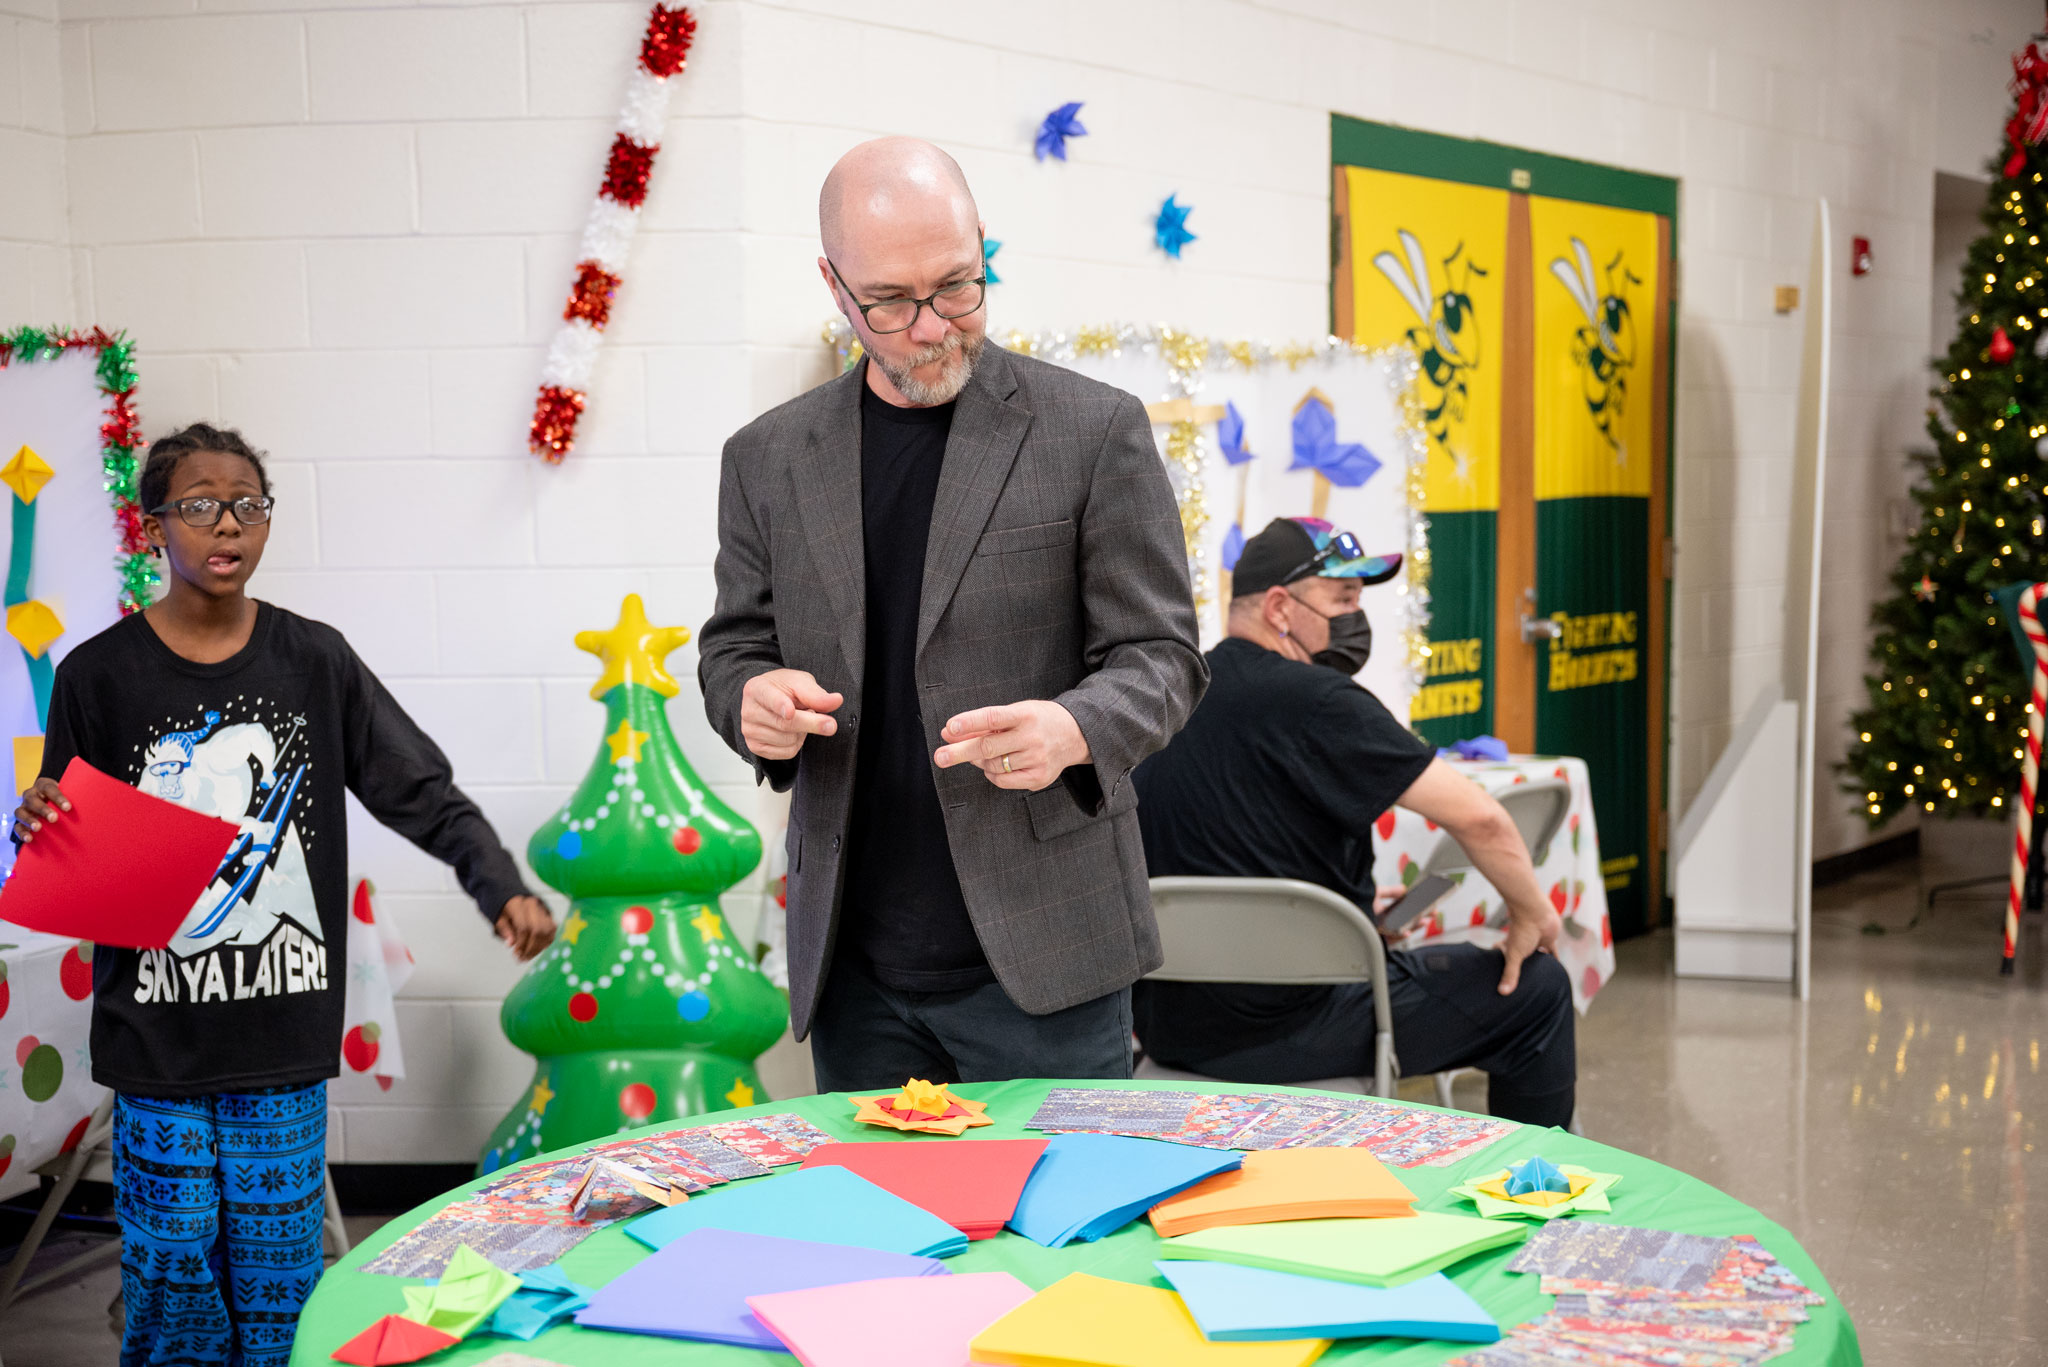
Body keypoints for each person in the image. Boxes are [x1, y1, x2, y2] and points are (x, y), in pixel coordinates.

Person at [12, 423, 556, 1367]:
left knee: (279, 1285)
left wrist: (495, 881)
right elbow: (68, 831)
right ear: (154, 529)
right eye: (199, 504)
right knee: (173, 1263)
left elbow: (415, 785)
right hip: (155, 1042)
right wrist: (38, 823)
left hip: (280, 1037)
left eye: (248, 504)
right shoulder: (97, 676)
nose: (227, 523)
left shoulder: (315, 662)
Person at [697, 137, 1205, 1092]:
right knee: (886, 1239)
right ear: (835, 287)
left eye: (958, 287)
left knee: (1059, 1243)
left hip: (1047, 958)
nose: (931, 327)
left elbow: (1164, 655)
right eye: (889, 302)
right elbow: (734, 644)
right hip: (855, 965)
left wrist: (1075, 725)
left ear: (983, 249)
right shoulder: (765, 458)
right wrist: (750, 699)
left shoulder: (1093, 430)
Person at [1131, 516, 1576, 1128]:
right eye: (1342, 598)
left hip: (1168, 1031)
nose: (1355, 617)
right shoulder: (1321, 703)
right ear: (1281, 607)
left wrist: (1347, 927)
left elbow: (1227, 852)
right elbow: (1485, 821)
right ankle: (1535, 1199)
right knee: (1539, 987)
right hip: (1298, 1032)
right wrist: (1534, 915)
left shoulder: (1168, 695)